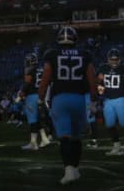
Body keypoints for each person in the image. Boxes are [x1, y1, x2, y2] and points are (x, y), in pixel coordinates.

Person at [38, 26, 97, 185]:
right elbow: (92, 78)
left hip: (60, 98)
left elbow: (45, 78)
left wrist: (40, 98)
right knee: (76, 138)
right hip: (78, 98)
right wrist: (93, 99)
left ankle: (69, 170)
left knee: (65, 137)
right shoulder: (84, 54)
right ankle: (75, 169)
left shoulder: (52, 54)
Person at [18, 53, 52, 150]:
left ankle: (33, 143)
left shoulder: (30, 70)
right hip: (41, 95)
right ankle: (44, 139)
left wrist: (22, 92)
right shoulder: (41, 69)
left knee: (33, 120)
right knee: (37, 119)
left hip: (32, 96)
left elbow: (27, 83)